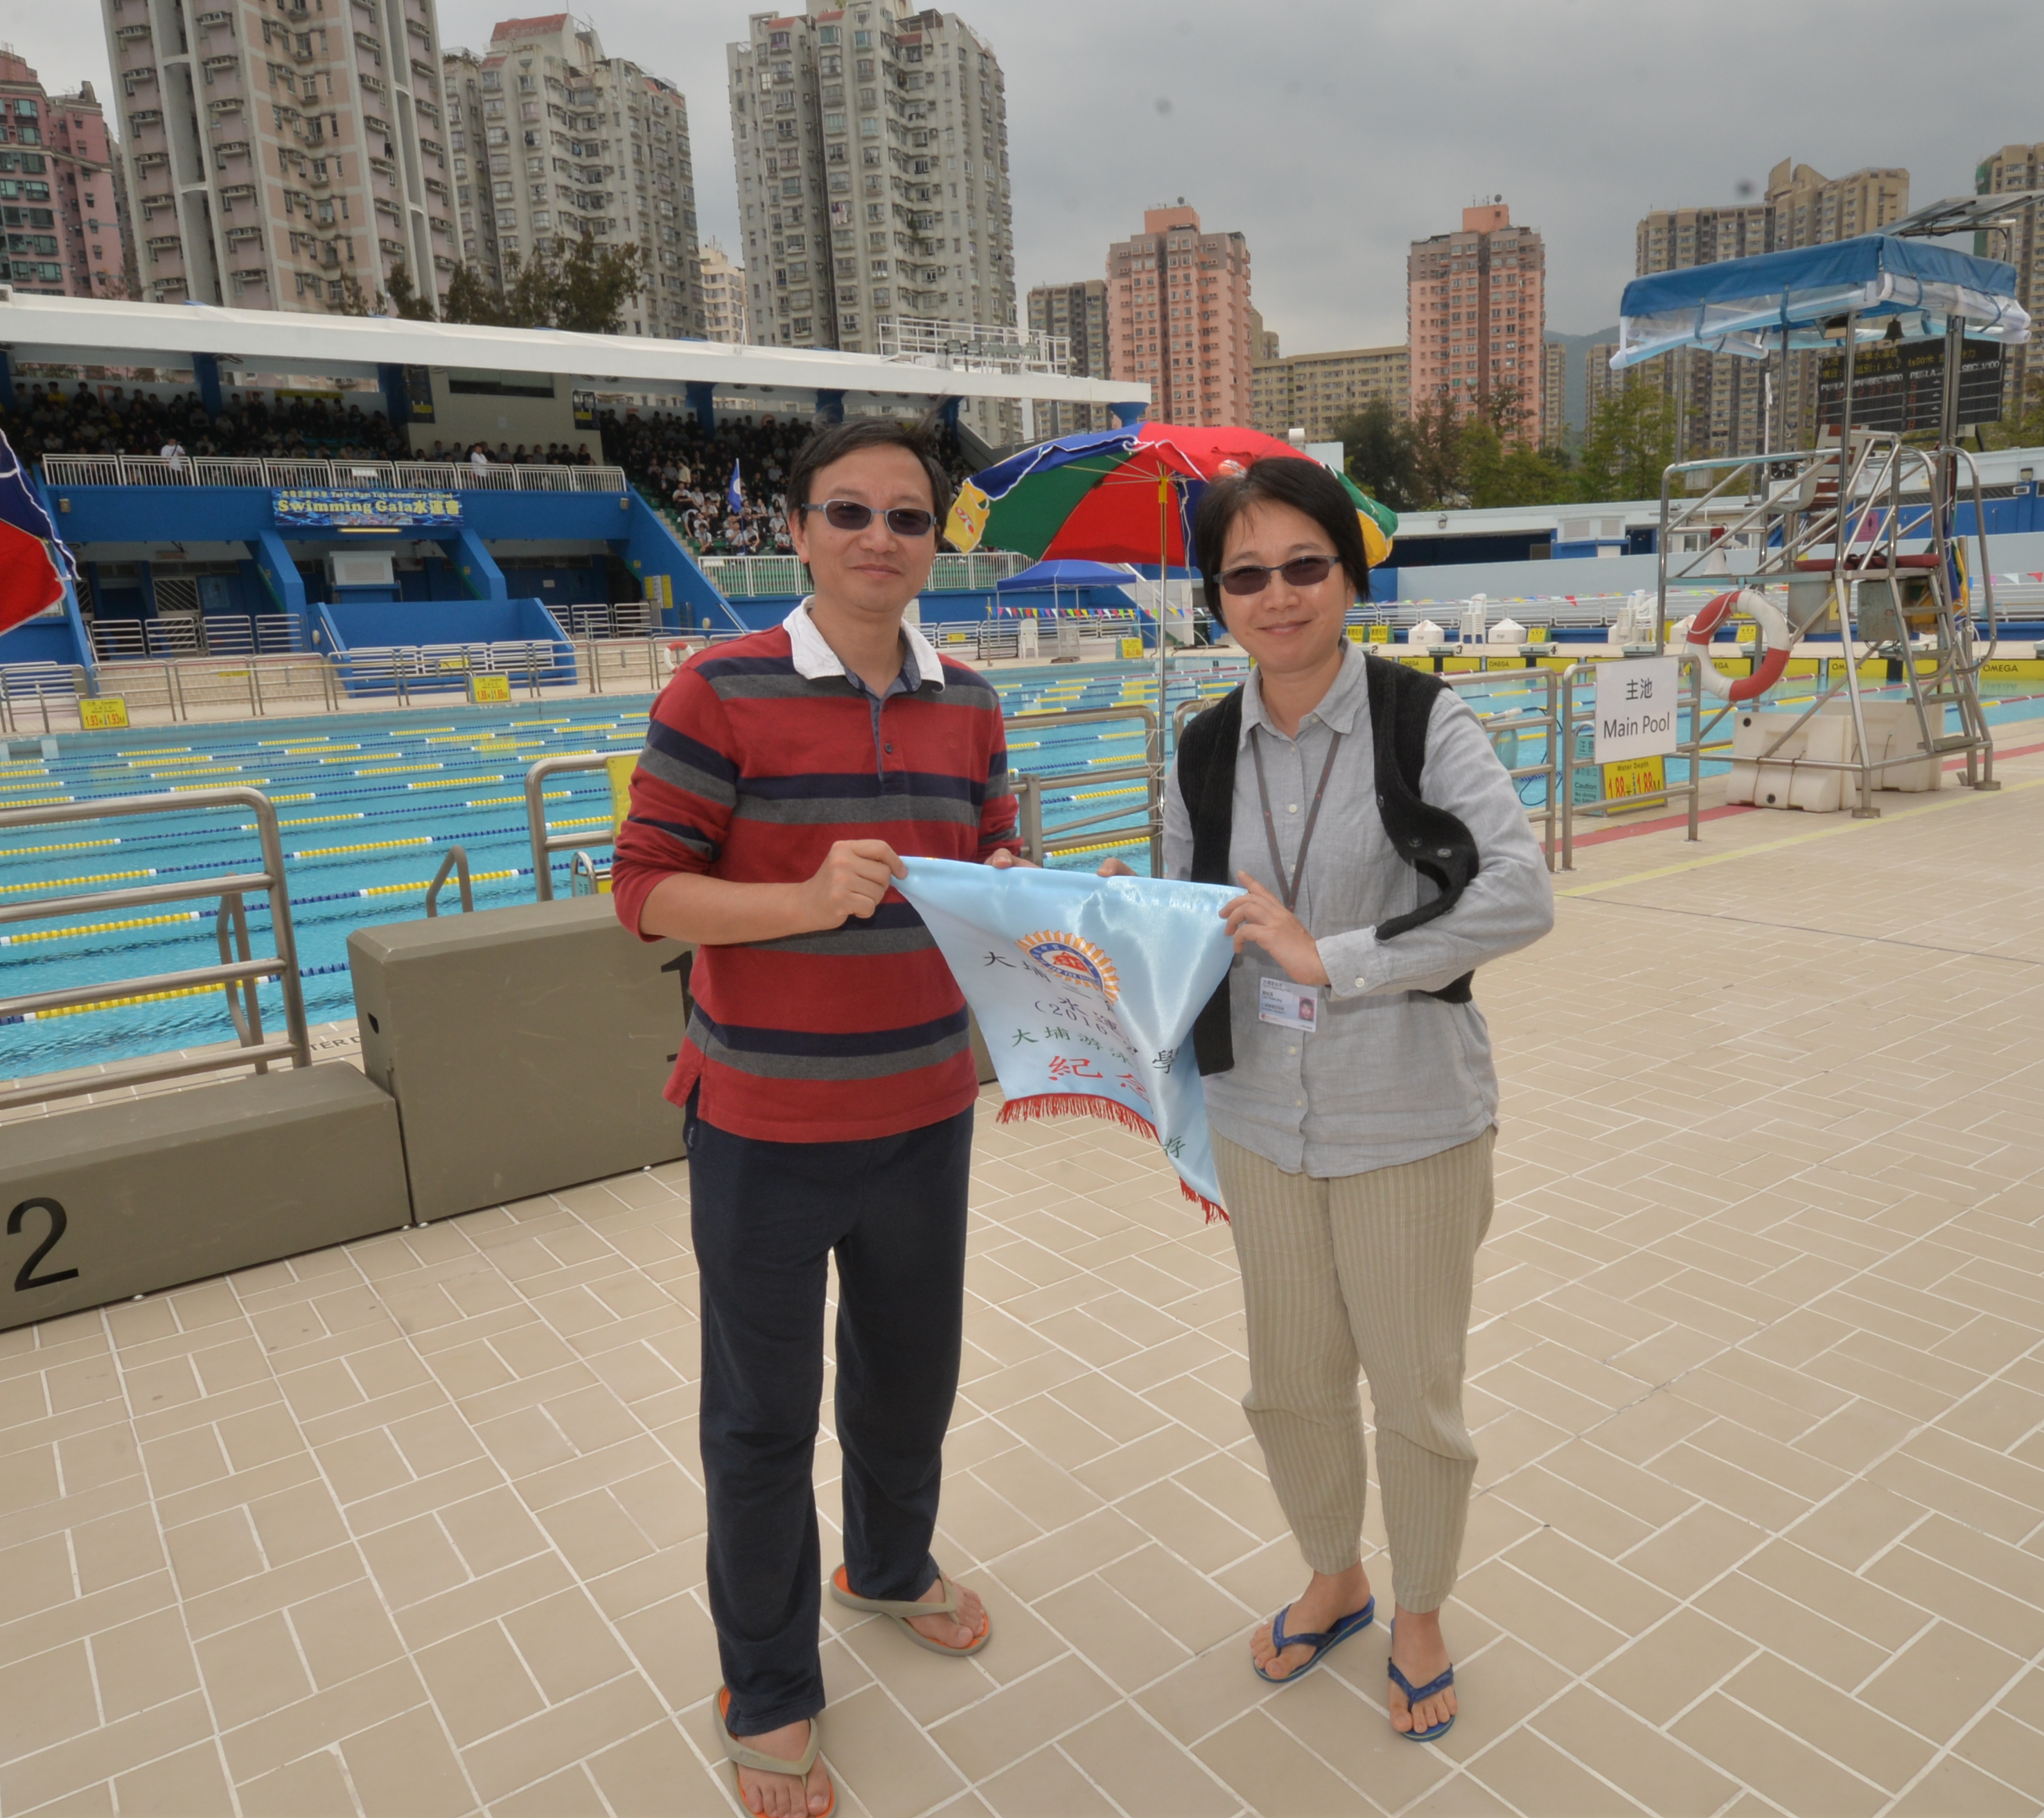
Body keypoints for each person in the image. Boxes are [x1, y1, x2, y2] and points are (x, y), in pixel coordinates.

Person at [611, 417, 1022, 1818]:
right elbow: (643, 891)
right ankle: (770, 1685)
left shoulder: (970, 699)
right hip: (765, 1127)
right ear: (795, 531)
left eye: (907, 517)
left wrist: (1026, 886)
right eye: (849, 512)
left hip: (924, 1109)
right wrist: (801, 900)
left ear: (934, 542)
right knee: (761, 1422)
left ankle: (889, 1567)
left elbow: (991, 844)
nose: (878, 538)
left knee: (910, 1382)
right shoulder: (717, 689)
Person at [1106, 457, 1553, 1741]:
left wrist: (1335, 958)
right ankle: (1334, 1573)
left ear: (1349, 576)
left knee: (1414, 1389)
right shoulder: (1203, 746)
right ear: (1216, 599)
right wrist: (1115, 919)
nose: (1280, 595)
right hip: (1260, 1121)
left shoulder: (1422, 722)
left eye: (1306, 565)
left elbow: (1518, 894)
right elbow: (1192, 918)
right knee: (1290, 1380)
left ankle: (1420, 1606)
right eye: (1245, 575)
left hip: (1408, 1115)